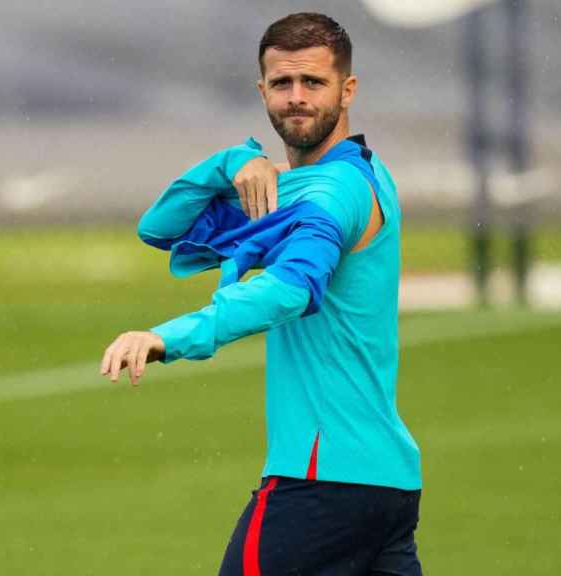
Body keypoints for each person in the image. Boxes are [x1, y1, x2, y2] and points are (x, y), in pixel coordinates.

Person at [99, 13, 422, 575]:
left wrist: (168, 337)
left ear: (348, 90)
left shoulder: (333, 193)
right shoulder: (335, 178)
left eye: (313, 83)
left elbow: (289, 289)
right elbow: (160, 227)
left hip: (320, 482)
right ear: (262, 90)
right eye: (282, 84)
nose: (296, 98)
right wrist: (232, 160)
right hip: (386, 487)